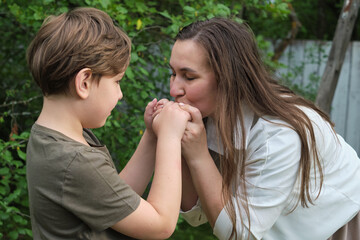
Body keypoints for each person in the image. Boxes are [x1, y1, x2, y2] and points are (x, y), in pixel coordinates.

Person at [165, 17, 360, 239]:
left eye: (189, 77)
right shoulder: (209, 116)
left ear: (228, 79)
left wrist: (198, 155)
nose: (174, 90)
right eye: (173, 74)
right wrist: (182, 147)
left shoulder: (277, 135)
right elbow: (198, 215)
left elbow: (239, 234)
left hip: (341, 227)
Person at [26, 7, 190, 240]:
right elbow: (161, 225)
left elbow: (112, 199)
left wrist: (151, 136)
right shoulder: (74, 161)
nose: (120, 94)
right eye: (116, 82)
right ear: (84, 82)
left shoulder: (51, 138)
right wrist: (170, 137)